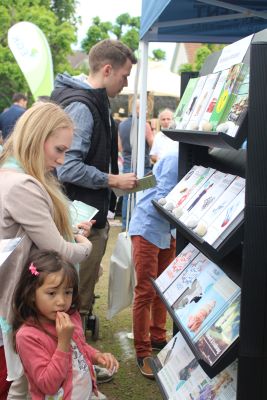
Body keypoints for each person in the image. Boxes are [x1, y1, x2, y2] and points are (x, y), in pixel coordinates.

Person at [0, 102, 92, 399]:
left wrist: (72, 232)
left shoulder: (10, 175)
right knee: (21, 382)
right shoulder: (23, 185)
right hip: (21, 301)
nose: (63, 160)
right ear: (37, 139)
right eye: (59, 150)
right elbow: (61, 250)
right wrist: (85, 245)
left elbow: (39, 233)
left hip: (21, 296)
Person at [50, 39, 138, 330]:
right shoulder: (82, 106)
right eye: (124, 75)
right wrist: (112, 179)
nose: (125, 83)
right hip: (78, 217)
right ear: (108, 69)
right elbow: (69, 168)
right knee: (74, 296)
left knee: (78, 292)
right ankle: (78, 366)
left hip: (82, 214)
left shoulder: (91, 102)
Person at [13, 250, 119, 400]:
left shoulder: (71, 316)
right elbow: (48, 385)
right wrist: (63, 343)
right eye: (52, 293)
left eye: (68, 292)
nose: (62, 301)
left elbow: (79, 346)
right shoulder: (28, 336)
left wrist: (97, 356)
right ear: (31, 294)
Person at [128, 153, 178, 379]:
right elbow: (162, 198)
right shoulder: (175, 157)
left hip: (170, 230)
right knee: (146, 291)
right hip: (148, 227)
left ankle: (157, 337)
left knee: (163, 288)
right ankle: (143, 350)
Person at [118, 98, 154, 230]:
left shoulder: (122, 125)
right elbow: (152, 144)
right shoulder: (144, 125)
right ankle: (139, 226)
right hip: (142, 165)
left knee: (127, 196)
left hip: (127, 165)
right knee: (143, 196)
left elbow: (120, 147)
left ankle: (125, 225)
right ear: (140, 109)